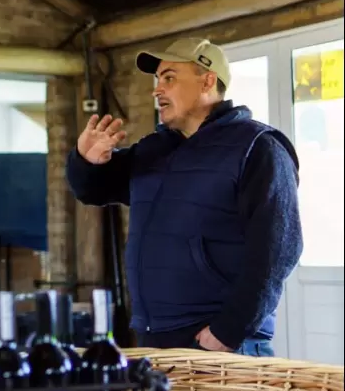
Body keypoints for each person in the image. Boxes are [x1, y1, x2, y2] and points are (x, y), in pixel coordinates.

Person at [66, 37, 303, 356]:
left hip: (220, 345)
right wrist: (87, 162)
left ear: (207, 80)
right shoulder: (154, 150)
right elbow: (93, 191)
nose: (157, 90)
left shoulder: (257, 148)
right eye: (157, 80)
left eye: (169, 78)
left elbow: (279, 249)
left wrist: (228, 331)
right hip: (156, 340)